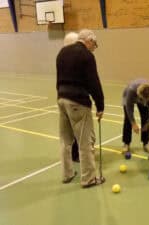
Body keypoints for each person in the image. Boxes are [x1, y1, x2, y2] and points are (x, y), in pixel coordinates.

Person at [56, 29, 104, 188]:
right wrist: (100, 105)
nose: (94, 47)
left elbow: (59, 79)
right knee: (85, 142)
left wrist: (61, 98)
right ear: (88, 40)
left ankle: (67, 174)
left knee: (65, 141)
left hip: (61, 100)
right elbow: (93, 82)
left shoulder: (62, 52)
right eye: (94, 44)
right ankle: (89, 179)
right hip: (78, 103)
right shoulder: (86, 56)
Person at [122, 79, 149, 153]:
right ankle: (126, 143)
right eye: (143, 100)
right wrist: (133, 123)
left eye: (146, 100)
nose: (144, 103)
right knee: (128, 119)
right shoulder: (131, 91)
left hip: (144, 96)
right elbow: (129, 109)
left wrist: (147, 124)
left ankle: (146, 143)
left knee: (145, 117)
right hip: (128, 95)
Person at [62, 32, 80, 163]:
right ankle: (77, 155)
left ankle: (69, 163)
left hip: (62, 99)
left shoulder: (61, 57)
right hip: (75, 101)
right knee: (78, 132)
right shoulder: (76, 59)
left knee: (67, 136)